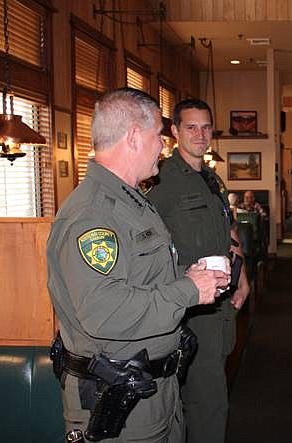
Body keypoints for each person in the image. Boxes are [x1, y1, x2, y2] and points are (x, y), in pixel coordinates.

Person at [46, 88, 230, 442]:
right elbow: (106, 313)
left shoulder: (132, 201)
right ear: (133, 136)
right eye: (157, 136)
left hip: (153, 389)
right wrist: (188, 290)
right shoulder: (93, 215)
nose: (162, 146)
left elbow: (143, 278)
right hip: (118, 400)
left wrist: (188, 278)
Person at [146, 98, 250, 443]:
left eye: (206, 127)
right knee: (206, 402)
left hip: (220, 306)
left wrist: (243, 276)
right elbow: (146, 248)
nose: (200, 134)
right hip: (191, 310)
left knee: (212, 395)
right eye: (191, 127)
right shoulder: (160, 181)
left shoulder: (212, 179)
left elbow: (228, 231)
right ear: (174, 131)